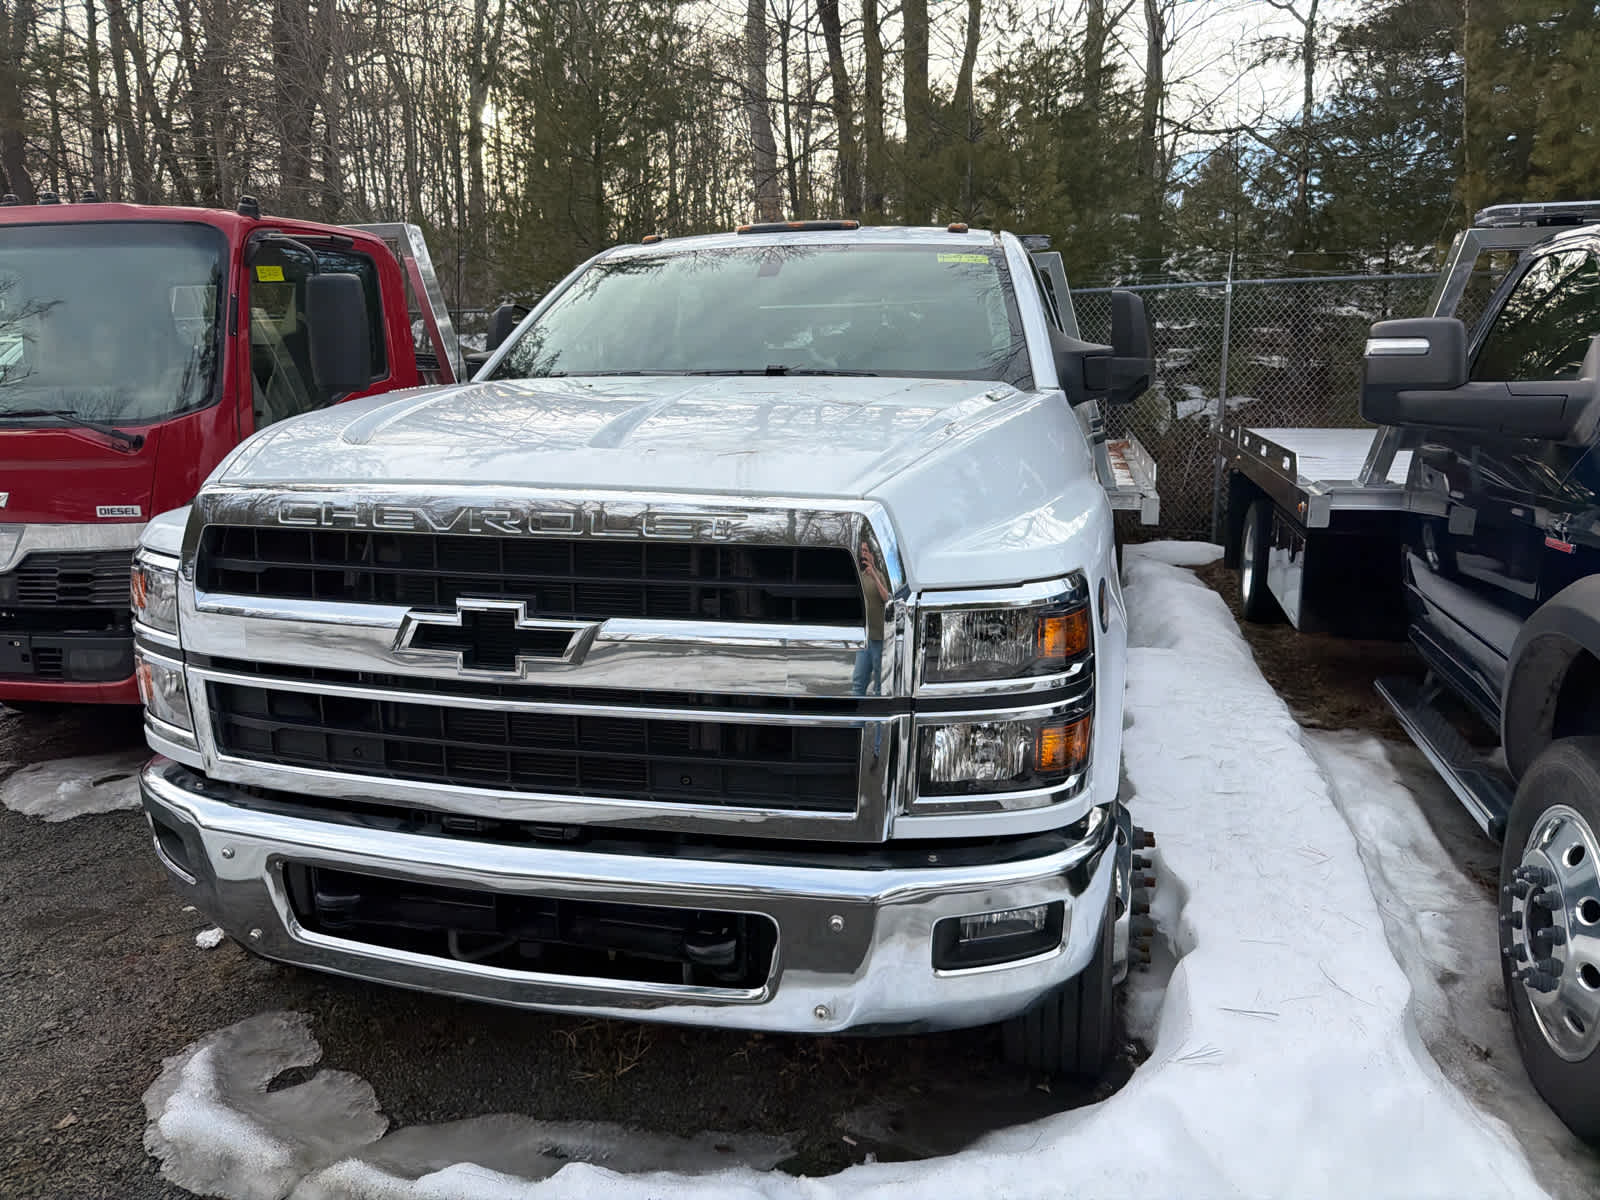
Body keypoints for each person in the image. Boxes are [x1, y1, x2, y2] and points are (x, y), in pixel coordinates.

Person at [852, 538, 890, 697]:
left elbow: (886, 598)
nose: (863, 554)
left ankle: (880, 723)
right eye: (861, 551)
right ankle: (857, 722)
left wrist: (874, 575)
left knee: (879, 687)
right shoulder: (859, 577)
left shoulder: (879, 576)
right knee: (858, 683)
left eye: (866, 551)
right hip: (864, 640)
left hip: (880, 639)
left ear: (872, 555)